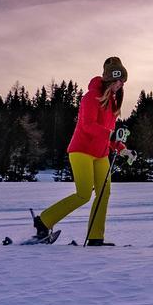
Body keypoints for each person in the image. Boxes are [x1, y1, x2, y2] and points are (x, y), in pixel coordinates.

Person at [29, 57, 131, 246]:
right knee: (83, 194)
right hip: (82, 151)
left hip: (101, 154)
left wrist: (122, 149)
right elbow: (88, 125)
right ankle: (44, 221)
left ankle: (95, 237)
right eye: (118, 81)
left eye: (122, 82)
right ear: (109, 79)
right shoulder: (90, 97)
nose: (120, 85)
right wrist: (110, 134)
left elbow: (107, 135)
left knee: (104, 193)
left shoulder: (112, 103)